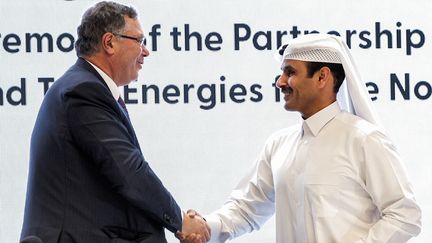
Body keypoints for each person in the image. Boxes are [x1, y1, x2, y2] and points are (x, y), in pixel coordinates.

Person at [20, 2, 209, 243]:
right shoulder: (83, 90)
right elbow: (128, 172)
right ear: (109, 42)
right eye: (139, 41)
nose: (146, 51)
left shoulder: (85, 87)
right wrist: (181, 221)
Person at [204, 34, 422, 243]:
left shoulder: (365, 139)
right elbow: (247, 209)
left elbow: (405, 215)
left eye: (290, 72)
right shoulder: (279, 144)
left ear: (321, 77)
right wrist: (205, 228)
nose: (280, 82)